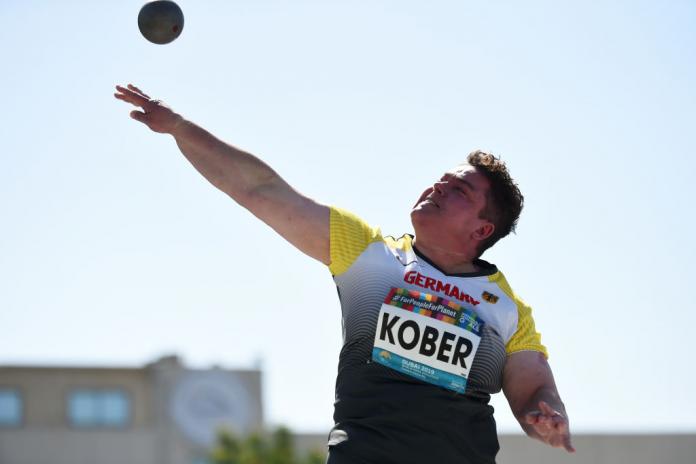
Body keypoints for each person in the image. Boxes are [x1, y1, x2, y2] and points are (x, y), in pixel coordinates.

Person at [114, 84, 574, 464]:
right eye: (440, 178)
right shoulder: (368, 254)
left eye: (459, 190)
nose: (437, 186)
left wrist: (544, 414)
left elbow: (533, 387)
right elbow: (259, 189)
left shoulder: (506, 308)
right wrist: (179, 128)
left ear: (482, 228)